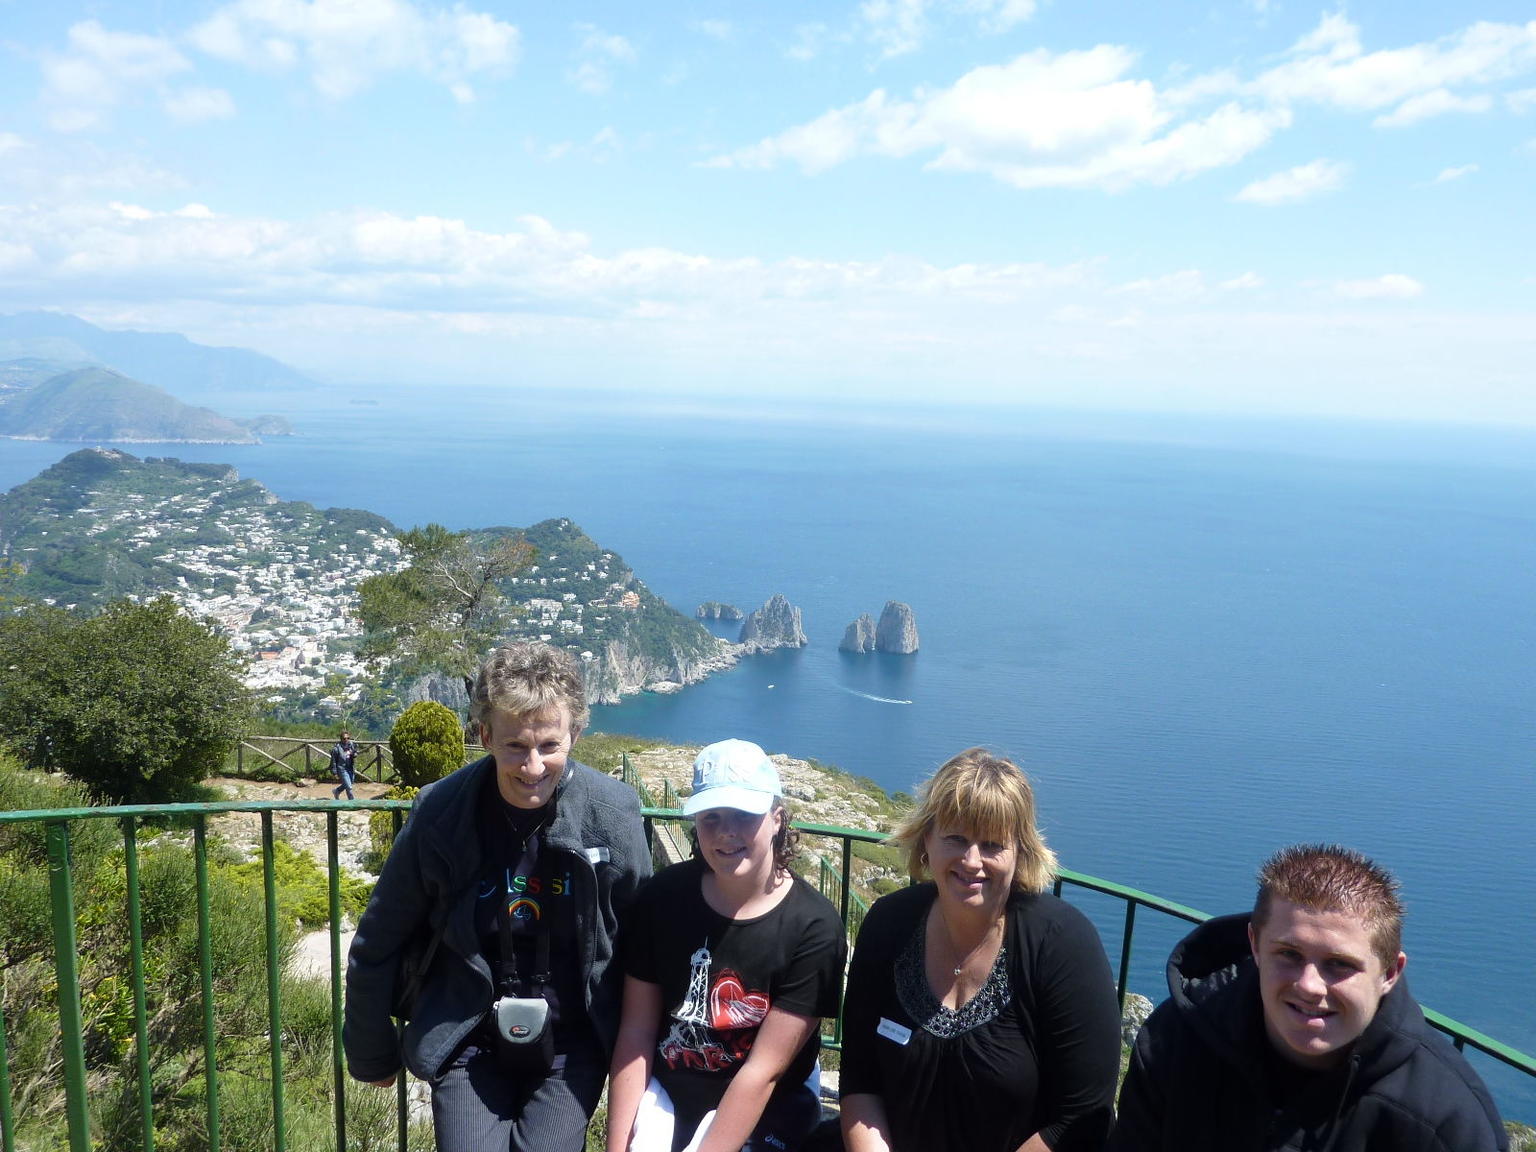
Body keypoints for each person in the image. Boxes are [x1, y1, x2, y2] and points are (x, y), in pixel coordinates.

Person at [343, 642, 652, 1152]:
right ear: (484, 735)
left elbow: (642, 940)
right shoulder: (442, 811)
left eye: (549, 746)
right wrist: (372, 1053)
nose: (532, 767)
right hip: (466, 1029)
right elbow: (380, 937)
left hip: (573, 1040)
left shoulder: (611, 813)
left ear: (575, 734)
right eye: (514, 746)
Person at [1107, 843, 1508, 1152]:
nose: (1309, 985)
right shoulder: (1177, 1041)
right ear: (1256, 947)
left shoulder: (1444, 1119)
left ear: (1389, 972)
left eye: (1339, 964)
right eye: (1289, 954)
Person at [839, 747, 1121, 1152]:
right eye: (956, 838)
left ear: (1020, 853)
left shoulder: (1062, 944)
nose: (972, 861)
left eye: (992, 844)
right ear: (926, 841)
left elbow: (1080, 1116)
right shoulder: (889, 924)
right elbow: (861, 1078)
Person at [606, 739, 846, 1152]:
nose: (726, 832)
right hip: (670, 1091)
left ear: (777, 819)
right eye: (711, 817)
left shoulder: (814, 926)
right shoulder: (662, 897)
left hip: (771, 1104)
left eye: (744, 815)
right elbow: (637, 1030)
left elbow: (763, 1072)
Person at [330, 730, 358, 799]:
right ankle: (352, 801)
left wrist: (353, 754)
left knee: (350, 783)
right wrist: (334, 772)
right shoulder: (336, 749)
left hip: (350, 768)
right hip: (342, 769)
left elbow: (355, 753)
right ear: (341, 739)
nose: (346, 740)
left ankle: (337, 791)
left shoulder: (351, 745)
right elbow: (333, 761)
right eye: (344, 738)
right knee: (349, 787)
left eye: (348, 738)